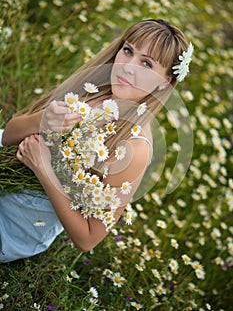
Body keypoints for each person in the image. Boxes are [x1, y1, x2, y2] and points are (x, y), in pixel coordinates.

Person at [0, 19, 193, 262]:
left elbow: (88, 239)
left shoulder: (134, 147)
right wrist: (43, 120)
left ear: (164, 82)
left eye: (146, 63)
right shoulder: (94, 91)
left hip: (15, 223)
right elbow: (7, 136)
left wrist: (44, 168)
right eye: (128, 50)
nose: (127, 67)